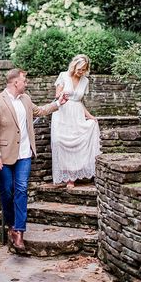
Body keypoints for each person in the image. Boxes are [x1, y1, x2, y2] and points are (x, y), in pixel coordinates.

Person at [0, 68, 68, 251]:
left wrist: (58, 103)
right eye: (25, 80)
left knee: (21, 189)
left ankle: (19, 232)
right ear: (16, 82)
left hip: (25, 153)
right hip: (4, 156)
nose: (27, 83)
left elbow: (39, 111)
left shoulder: (26, 99)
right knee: (7, 191)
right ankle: (11, 224)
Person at [51, 54, 101, 188]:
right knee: (61, 142)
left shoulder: (85, 81)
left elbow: (79, 101)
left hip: (77, 113)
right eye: (79, 69)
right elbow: (57, 95)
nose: (81, 72)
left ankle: (74, 176)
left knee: (78, 141)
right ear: (74, 66)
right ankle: (67, 176)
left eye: (84, 69)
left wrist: (89, 116)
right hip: (62, 112)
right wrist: (61, 95)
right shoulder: (63, 76)